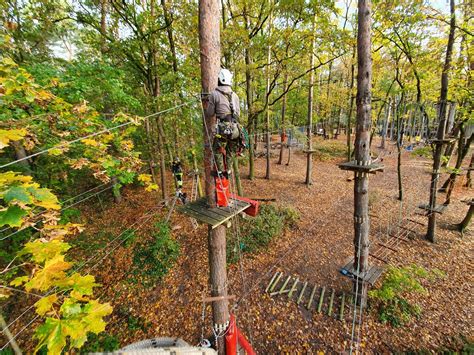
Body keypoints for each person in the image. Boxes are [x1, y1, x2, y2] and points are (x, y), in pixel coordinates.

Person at [204, 68, 244, 176]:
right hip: (236, 128)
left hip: (223, 127)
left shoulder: (214, 94)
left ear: (220, 79)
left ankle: (220, 171)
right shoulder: (235, 95)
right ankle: (229, 170)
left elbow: (209, 113)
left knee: (217, 149)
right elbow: (238, 113)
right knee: (231, 150)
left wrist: (207, 103)